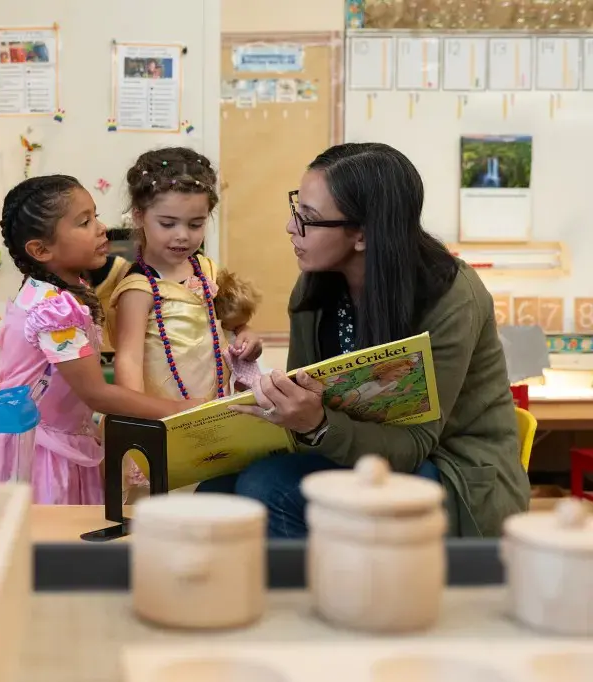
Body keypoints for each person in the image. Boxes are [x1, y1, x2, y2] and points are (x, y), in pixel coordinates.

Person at [198, 142, 529, 538]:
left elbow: (414, 443)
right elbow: (307, 404)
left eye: (309, 218)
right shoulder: (314, 287)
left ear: (362, 236)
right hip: (357, 456)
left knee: (268, 486)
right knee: (215, 493)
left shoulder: (450, 295)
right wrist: (270, 403)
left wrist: (317, 425)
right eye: (295, 210)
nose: (291, 228)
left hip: (447, 468)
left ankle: (336, 595)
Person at [0, 174, 189, 505]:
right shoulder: (53, 310)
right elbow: (96, 394)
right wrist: (178, 409)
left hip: (59, 438)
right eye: (84, 222)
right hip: (43, 452)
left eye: (95, 215)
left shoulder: (61, 294)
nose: (101, 227)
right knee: (57, 541)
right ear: (40, 249)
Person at [110, 147, 262, 496]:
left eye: (195, 225)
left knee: (207, 496)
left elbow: (231, 320)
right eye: (168, 224)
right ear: (138, 216)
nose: (183, 235)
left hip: (206, 413)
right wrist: (135, 427)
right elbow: (128, 358)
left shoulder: (205, 268)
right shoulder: (138, 288)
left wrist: (245, 335)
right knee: (163, 502)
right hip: (160, 420)